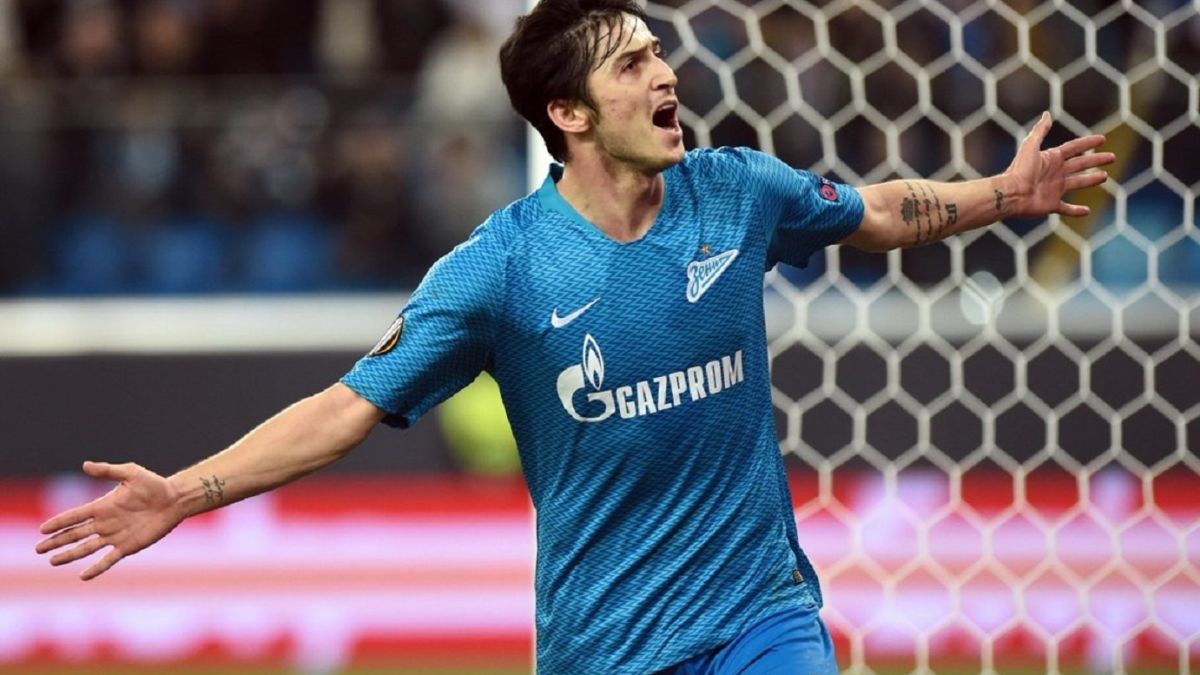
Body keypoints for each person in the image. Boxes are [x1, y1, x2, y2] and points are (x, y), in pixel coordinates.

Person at [36, 1, 1114, 672]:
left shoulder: (737, 190)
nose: (666, 74)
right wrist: (184, 493)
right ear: (570, 114)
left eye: (658, 53)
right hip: (609, 645)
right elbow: (344, 410)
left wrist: (1002, 194)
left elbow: (873, 212)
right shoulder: (500, 269)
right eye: (632, 65)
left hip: (763, 616)